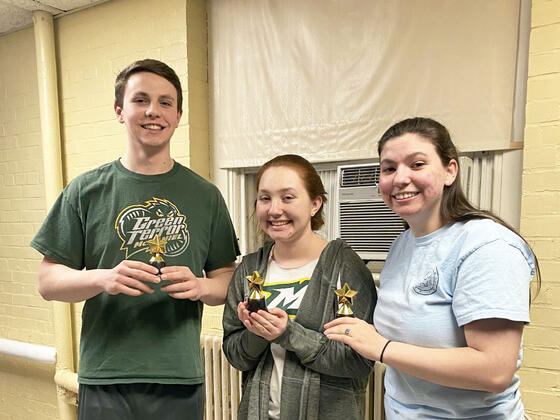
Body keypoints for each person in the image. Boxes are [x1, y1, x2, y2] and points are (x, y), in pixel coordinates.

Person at [30, 59, 240, 420]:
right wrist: (102, 278)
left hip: (178, 377)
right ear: (119, 111)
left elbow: (229, 279)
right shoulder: (86, 190)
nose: (153, 111)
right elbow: (47, 282)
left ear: (177, 115)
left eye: (165, 102)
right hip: (105, 376)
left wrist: (200, 286)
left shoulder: (205, 196)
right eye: (140, 100)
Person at [325, 117, 540, 419]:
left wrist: (381, 348)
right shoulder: (402, 245)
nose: (400, 178)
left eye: (416, 164)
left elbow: (494, 371)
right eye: (389, 168)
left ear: (450, 170)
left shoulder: (487, 245)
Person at [222, 154, 377, 420]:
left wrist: (288, 333)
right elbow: (237, 356)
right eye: (265, 198)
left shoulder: (344, 269)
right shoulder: (249, 271)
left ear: (315, 204)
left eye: (288, 197)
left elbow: (357, 361)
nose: (274, 210)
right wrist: (258, 332)